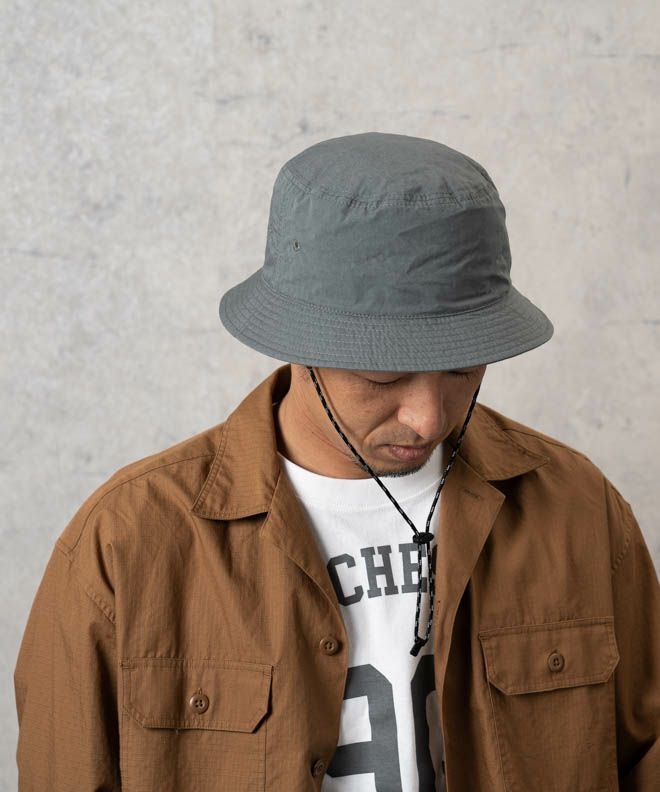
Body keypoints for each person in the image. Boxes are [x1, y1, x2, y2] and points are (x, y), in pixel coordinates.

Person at [13, 132, 659, 792]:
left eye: (463, 368)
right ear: (301, 345)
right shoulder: (127, 546)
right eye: (383, 377)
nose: (428, 418)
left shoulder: (577, 509)